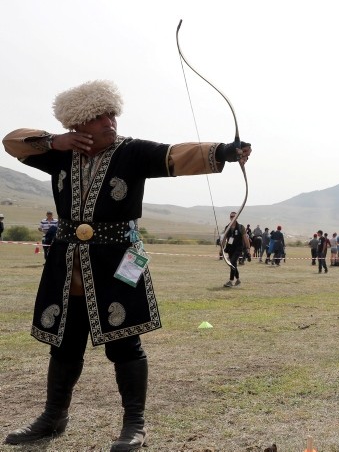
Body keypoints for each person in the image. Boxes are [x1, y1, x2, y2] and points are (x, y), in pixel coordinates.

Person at [2, 80, 252, 450]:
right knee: (64, 343)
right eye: (98, 117)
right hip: (68, 261)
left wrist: (225, 151)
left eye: (111, 114)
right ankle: (53, 417)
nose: (109, 122)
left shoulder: (132, 152)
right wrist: (55, 141)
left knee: (125, 341)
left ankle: (134, 424)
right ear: (77, 126)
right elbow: (12, 141)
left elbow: (173, 155)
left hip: (120, 259)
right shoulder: (57, 154)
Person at [223, 211, 250, 285]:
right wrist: (221, 248)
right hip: (230, 248)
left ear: (237, 217)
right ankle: (238, 280)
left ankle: (231, 281)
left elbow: (245, 239)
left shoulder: (241, 227)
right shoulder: (227, 227)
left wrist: (248, 249)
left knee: (232, 262)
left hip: (238, 248)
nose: (232, 218)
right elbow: (224, 238)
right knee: (233, 263)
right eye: (231, 216)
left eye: (234, 216)